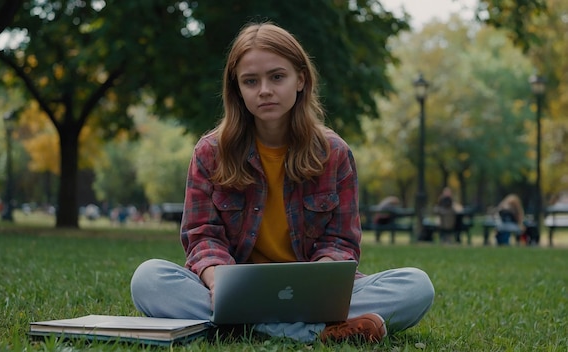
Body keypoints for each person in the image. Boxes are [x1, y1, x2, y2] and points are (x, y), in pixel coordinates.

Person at [130, 22, 434, 344]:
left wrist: (319, 282)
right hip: (234, 290)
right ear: (237, 88)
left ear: (300, 79)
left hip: (310, 294)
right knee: (149, 279)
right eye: (251, 81)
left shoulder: (334, 153)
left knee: (416, 285)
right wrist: (218, 280)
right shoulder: (210, 152)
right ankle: (318, 333)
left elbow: (342, 241)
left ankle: (238, 326)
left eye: (277, 77)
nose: (264, 90)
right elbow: (201, 235)